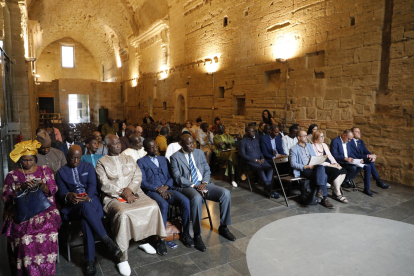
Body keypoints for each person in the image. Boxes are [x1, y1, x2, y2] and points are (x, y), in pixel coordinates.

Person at [95, 135, 166, 276]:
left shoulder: (129, 158)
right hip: (113, 197)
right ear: (107, 146)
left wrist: (130, 190)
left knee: (152, 206)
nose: (118, 146)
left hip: (134, 192)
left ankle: (142, 239)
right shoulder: (101, 162)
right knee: (123, 213)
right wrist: (122, 193)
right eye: (114, 144)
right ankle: (122, 257)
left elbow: (137, 176)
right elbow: (104, 184)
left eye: (119, 143)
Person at [56, 145, 121, 275]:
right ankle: (107, 240)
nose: (75, 161)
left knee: (86, 219)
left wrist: (88, 196)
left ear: (81, 157)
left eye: (78, 158)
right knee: (85, 208)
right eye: (72, 158)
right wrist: (69, 196)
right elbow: (62, 192)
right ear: (67, 156)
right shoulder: (60, 172)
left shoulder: (88, 167)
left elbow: (93, 186)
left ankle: (90, 261)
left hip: (91, 201)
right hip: (74, 206)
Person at [2, 140, 61, 275]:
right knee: (23, 240)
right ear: (20, 160)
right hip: (22, 213)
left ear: (35, 158)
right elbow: (5, 197)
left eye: (31, 160)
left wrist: (41, 185)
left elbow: (53, 189)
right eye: (25, 160)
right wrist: (21, 188)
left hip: (44, 210)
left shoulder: (45, 170)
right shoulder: (12, 175)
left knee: (49, 233)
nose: (28, 163)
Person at [170, 134, 236, 252]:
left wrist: (204, 183)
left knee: (225, 193)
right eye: (189, 144)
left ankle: (223, 227)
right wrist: (195, 185)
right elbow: (177, 178)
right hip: (188, 186)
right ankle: (197, 235)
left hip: (204, 183)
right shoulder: (175, 157)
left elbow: (207, 169)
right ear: (181, 144)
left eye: (193, 143)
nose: (192, 146)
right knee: (197, 198)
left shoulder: (199, 153)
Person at [138, 139, 194, 251]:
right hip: (153, 191)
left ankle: (186, 234)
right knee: (163, 204)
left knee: (186, 201)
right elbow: (143, 182)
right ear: (145, 149)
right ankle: (161, 240)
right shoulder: (141, 161)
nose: (155, 149)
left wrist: (166, 187)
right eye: (151, 147)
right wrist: (158, 189)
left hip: (168, 189)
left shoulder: (163, 159)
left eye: (155, 147)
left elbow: (171, 176)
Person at [290, 131, 334, 208]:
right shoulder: (293, 149)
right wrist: (306, 166)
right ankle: (324, 198)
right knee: (324, 176)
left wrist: (317, 161)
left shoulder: (310, 146)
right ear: (298, 137)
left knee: (321, 167)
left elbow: (314, 156)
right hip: (303, 169)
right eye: (304, 136)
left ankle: (320, 192)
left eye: (306, 136)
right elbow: (293, 164)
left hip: (314, 166)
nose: (306, 137)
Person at [330, 130, 373, 196]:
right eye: (349, 139)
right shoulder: (335, 141)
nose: (350, 141)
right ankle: (344, 181)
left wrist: (357, 160)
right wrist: (345, 159)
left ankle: (347, 180)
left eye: (351, 139)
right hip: (340, 162)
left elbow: (351, 153)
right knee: (353, 168)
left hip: (348, 161)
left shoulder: (348, 142)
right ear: (344, 135)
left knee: (361, 166)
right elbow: (334, 155)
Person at [241, 126, 279, 198]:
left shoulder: (256, 140)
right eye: (251, 131)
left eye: (254, 131)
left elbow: (260, 152)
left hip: (260, 160)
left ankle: (267, 188)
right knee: (260, 169)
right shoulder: (243, 142)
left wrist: (262, 158)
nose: (253, 133)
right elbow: (243, 155)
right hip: (251, 162)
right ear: (246, 132)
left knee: (271, 167)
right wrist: (255, 160)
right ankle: (270, 190)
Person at [312, 131, 348, 203]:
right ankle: (337, 193)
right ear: (316, 138)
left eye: (323, 136)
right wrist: (331, 165)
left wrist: (336, 163)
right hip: (322, 165)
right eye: (321, 136)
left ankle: (335, 190)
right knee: (336, 171)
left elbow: (330, 156)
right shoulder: (313, 146)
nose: (323, 138)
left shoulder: (324, 145)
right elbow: (319, 160)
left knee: (343, 170)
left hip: (330, 164)